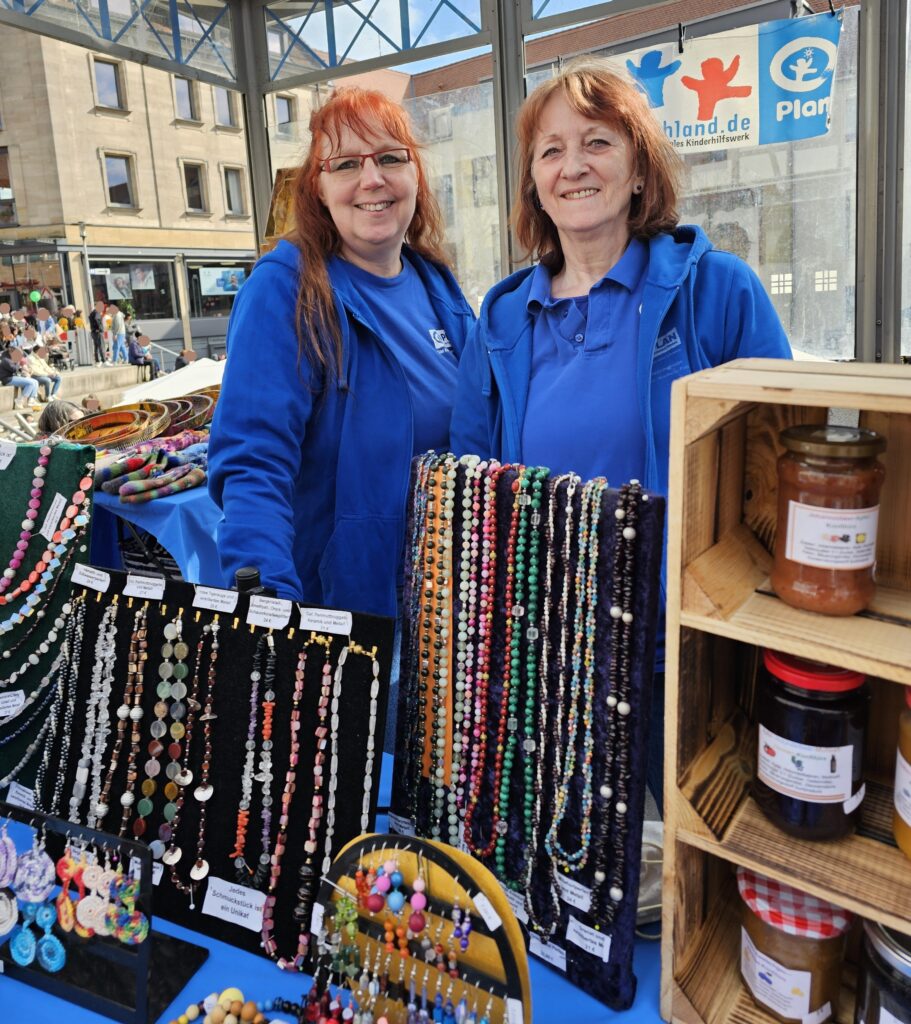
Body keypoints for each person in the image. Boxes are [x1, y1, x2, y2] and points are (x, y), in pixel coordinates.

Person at [449, 58, 791, 810]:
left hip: (687, 643)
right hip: (556, 648)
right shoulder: (503, 317)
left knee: (696, 839)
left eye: (596, 142)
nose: (572, 166)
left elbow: (782, 464)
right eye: (550, 150)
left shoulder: (715, 289)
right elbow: (475, 479)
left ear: (639, 167)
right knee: (572, 850)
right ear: (533, 182)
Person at [208, 86, 475, 617]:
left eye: (390, 158)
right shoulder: (286, 287)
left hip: (450, 612)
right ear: (319, 188)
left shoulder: (438, 286)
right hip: (344, 615)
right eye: (346, 164)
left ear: (415, 175)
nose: (371, 179)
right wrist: (268, 607)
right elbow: (253, 463)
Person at [89, 300, 107, 365]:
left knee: (96, 346)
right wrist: (100, 328)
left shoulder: (92, 313)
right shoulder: (97, 312)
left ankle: (97, 360)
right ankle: (104, 360)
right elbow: (97, 319)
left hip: (93, 331)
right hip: (98, 332)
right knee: (101, 346)